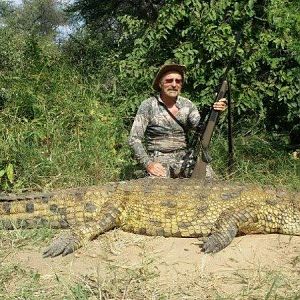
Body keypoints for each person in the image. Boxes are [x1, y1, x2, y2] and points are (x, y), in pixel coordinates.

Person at [128, 63, 227, 178]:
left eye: (178, 81)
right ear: (160, 83)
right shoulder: (148, 105)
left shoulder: (188, 105)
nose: (174, 84)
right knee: (157, 190)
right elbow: (134, 139)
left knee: (209, 178)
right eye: (169, 81)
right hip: (159, 159)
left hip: (185, 158)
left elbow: (202, 131)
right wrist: (148, 164)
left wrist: (216, 113)